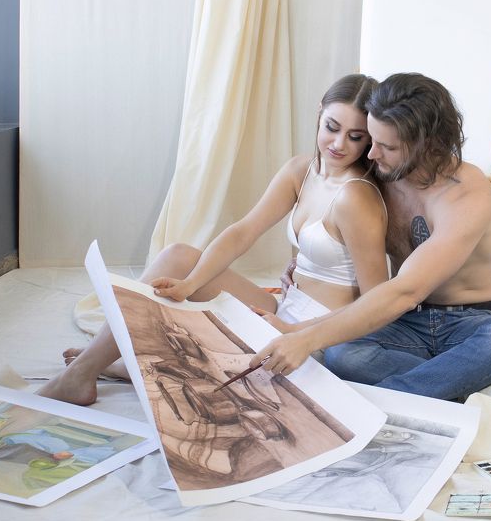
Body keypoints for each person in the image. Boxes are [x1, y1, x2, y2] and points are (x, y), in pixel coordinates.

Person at [39, 74, 389, 405]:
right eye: (332, 127)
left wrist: (298, 332)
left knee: (205, 354)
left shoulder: (356, 198)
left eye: (355, 137)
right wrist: (190, 284)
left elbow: (376, 304)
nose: (338, 144)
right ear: (319, 115)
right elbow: (244, 231)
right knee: (177, 257)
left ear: (369, 140)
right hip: (282, 308)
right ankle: (94, 366)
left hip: (315, 334)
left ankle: (110, 368)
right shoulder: (302, 170)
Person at [249, 73, 491, 402]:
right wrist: (301, 272)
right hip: (405, 323)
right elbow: (328, 216)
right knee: (343, 353)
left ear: (427, 145)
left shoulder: (466, 193)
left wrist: (305, 338)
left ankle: (399, 397)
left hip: (469, 322)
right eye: (372, 140)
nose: (372, 154)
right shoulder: (381, 176)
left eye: (387, 147)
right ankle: (450, 381)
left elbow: (406, 290)